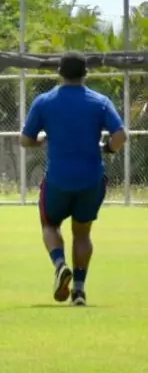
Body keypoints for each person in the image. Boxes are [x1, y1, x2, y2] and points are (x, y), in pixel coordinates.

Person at [19, 52, 126, 306]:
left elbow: (24, 140)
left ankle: (59, 264)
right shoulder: (100, 102)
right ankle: (78, 290)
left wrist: (41, 140)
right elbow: (120, 136)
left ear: (59, 72)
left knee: (49, 225)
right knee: (83, 233)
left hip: (58, 180)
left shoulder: (44, 102)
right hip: (91, 180)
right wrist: (108, 149)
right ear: (85, 74)